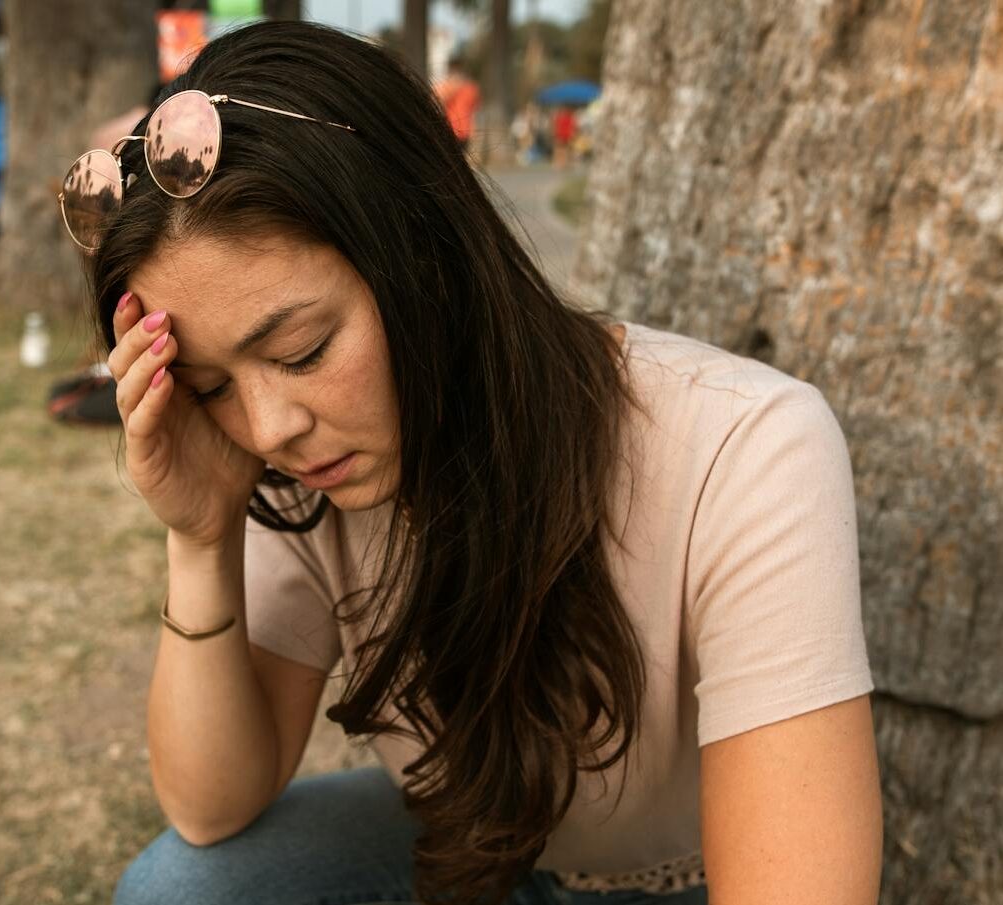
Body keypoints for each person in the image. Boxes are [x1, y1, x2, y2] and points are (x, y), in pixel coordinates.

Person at [60, 20, 882, 905]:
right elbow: (209, 809)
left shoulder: (748, 447)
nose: (270, 427)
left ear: (427, 251)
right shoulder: (305, 467)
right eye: (212, 384)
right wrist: (200, 536)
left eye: (302, 351)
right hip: (470, 857)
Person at [434, 54, 481, 155]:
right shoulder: (444, 86)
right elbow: (437, 102)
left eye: (459, 70)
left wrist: (474, 131)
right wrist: (453, 87)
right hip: (449, 130)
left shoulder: (471, 88)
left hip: (465, 132)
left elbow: (474, 111)